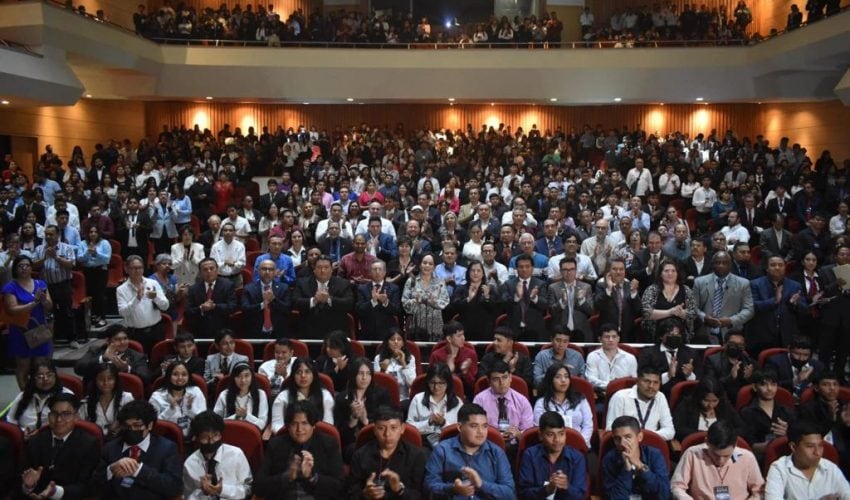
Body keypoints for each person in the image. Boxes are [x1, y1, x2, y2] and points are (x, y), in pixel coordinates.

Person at [423, 403, 515, 499]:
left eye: (484, 426)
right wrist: (452, 489)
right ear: (460, 427)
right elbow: (428, 486)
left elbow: (509, 493)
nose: (481, 431)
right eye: (474, 426)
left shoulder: (496, 452)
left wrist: (481, 484)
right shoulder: (443, 450)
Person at [255, 401, 344, 499]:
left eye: (304, 423)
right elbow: (259, 487)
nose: (299, 429)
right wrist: (287, 476)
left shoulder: (328, 444)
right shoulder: (275, 444)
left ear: (313, 425)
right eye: (294, 424)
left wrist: (312, 477)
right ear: (288, 426)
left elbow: (340, 487)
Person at [95, 400, 182, 498]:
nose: (132, 430)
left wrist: (139, 470)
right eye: (127, 426)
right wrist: (110, 470)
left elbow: (174, 487)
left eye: (137, 425)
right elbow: (93, 486)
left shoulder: (166, 448)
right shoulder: (110, 448)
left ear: (149, 425)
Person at [20, 393, 99, 499]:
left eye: (66, 414)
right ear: (48, 416)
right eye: (54, 414)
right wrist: (28, 486)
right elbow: (21, 479)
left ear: (76, 417)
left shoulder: (89, 444)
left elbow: (87, 486)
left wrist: (55, 492)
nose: (59, 420)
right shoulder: (36, 441)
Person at [348, 405, 428, 499]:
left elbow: (421, 496)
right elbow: (350, 493)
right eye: (381, 428)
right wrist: (365, 494)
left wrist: (400, 490)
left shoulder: (417, 456)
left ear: (402, 429)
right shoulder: (360, 455)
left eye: (393, 428)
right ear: (374, 430)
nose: (387, 434)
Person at [671, 420, 764, 499]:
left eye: (726, 456)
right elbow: (677, 486)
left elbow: (759, 491)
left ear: (735, 444)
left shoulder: (747, 457)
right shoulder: (693, 454)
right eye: (716, 455)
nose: (721, 461)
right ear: (707, 442)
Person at [2, 255, 53, 389]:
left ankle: (40, 391)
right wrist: (33, 303)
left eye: (27, 265)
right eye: (20, 266)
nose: (24, 268)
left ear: (31, 267)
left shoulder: (40, 284)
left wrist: (43, 300)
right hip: (20, 331)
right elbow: (12, 309)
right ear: (16, 269)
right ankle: (24, 395)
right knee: (23, 366)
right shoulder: (10, 287)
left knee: (41, 364)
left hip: (38, 329)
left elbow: (49, 306)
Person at [765, 420, 850, 498]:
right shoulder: (779, 468)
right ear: (793, 447)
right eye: (810, 446)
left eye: (820, 446)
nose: (817, 452)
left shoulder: (831, 468)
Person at [518, 411, 588, 499]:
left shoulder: (577, 458)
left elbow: (580, 496)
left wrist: (567, 487)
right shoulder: (530, 455)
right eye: (551, 435)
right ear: (540, 435)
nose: (557, 440)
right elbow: (524, 493)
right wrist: (546, 490)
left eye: (561, 434)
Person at [183, 410, 252, 500]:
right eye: (205, 437)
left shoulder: (236, 454)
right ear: (197, 438)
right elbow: (187, 495)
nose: (211, 441)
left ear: (220, 434)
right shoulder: (190, 464)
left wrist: (222, 490)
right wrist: (202, 492)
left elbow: (248, 489)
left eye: (215, 435)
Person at [333, 358, 392, 459]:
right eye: (360, 373)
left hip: (376, 441)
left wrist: (365, 420)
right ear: (353, 375)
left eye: (368, 373)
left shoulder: (382, 395)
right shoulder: (341, 399)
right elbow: (339, 435)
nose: (364, 378)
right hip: (351, 445)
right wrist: (353, 419)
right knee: (355, 451)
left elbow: (386, 424)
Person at [601, 415, 671, 499]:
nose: (622, 443)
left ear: (639, 437)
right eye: (617, 438)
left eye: (628, 437)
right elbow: (615, 498)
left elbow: (664, 494)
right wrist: (626, 470)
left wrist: (640, 466)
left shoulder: (654, 455)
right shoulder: (609, 459)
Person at [748, 255, 807, 354]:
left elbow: (805, 309)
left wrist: (794, 303)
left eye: (780, 265)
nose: (777, 267)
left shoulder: (795, 285)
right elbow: (752, 306)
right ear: (767, 268)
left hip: (786, 335)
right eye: (773, 265)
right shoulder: (754, 284)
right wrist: (774, 301)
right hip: (762, 335)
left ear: (785, 267)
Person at [693, 250, 755, 344]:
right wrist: (704, 317)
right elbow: (693, 307)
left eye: (725, 263)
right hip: (704, 332)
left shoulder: (743, 283)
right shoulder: (699, 282)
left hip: (731, 333)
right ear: (712, 264)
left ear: (730, 265)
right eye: (718, 263)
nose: (721, 265)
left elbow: (749, 310)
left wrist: (731, 320)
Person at [472, 359, 534, 454]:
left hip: (515, 448)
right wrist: (496, 435)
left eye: (505, 377)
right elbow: (475, 429)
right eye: (496, 379)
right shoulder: (479, 400)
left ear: (510, 378)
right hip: (487, 447)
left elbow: (528, 432)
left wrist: (517, 434)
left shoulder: (522, 401)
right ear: (489, 381)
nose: (502, 383)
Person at [5, 358, 73, 439]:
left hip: (54, 439)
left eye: (49, 375)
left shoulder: (66, 395)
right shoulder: (23, 396)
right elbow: (11, 421)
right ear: (32, 378)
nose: (45, 379)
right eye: (40, 376)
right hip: (23, 438)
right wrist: (22, 432)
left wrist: (42, 434)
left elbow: (71, 425)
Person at [116, 254, 170, 355]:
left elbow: (165, 306)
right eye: (133, 268)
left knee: (158, 360)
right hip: (135, 334)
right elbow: (123, 313)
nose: (137, 271)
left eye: (140, 267)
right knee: (139, 365)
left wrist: (156, 298)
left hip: (156, 330)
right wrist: (137, 298)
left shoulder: (152, 283)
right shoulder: (121, 290)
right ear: (126, 269)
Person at [33, 225, 77, 347]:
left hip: (63, 284)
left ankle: (72, 339)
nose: (48, 237)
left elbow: (71, 264)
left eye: (51, 234)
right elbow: (34, 266)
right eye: (46, 234)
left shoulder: (67, 248)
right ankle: (49, 341)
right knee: (47, 313)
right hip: (46, 286)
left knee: (67, 311)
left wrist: (56, 257)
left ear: (57, 235)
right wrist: (45, 257)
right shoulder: (39, 249)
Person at [606, 366, 676, 441]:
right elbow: (611, 429)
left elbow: (670, 431)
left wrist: (645, 436)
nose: (651, 386)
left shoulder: (660, 397)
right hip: (625, 444)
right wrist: (634, 437)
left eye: (655, 382)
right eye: (646, 381)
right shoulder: (620, 397)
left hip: (651, 444)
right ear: (637, 381)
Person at [293, 255, 354, 339]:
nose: (323, 270)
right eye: (319, 267)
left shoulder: (343, 284)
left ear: (332, 269)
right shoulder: (302, 283)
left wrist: (329, 300)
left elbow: (349, 304)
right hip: (308, 332)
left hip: (336, 332)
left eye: (326, 267)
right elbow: (295, 302)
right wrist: (313, 301)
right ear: (314, 269)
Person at [532, 364, 593, 448]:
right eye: (558, 377)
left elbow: (588, 425)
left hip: (579, 446)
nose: (563, 380)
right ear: (550, 380)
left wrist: (580, 443)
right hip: (552, 447)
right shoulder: (542, 403)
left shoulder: (580, 399)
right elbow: (540, 428)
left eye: (566, 376)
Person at [740, 369, 796, 457]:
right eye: (763, 384)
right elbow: (749, 446)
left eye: (773, 384)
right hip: (759, 457)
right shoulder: (747, 413)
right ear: (755, 387)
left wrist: (788, 434)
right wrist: (775, 442)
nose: (769, 388)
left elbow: (798, 438)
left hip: (785, 454)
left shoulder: (786, 411)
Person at [639, 317, 700, 396]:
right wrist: (668, 375)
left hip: (684, 397)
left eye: (677, 334)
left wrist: (689, 375)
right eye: (670, 334)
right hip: (656, 394)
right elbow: (644, 378)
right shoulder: (648, 354)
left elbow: (700, 380)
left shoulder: (691, 353)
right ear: (661, 336)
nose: (674, 337)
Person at [672, 376, 746, 442]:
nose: (710, 405)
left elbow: (741, 428)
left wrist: (723, 434)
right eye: (706, 401)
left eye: (715, 401)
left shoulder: (724, 406)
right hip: (695, 445)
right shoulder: (687, 404)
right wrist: (703, 435)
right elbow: (677, 428)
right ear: (699, 397)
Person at [270, 358, 335, 433]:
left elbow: (328, 425)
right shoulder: (283, 397)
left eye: (307, 372)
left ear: (313, 375)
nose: (303, 376)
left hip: (318, 439)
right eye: (298, 372)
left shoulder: (325, 396)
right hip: (290, 437)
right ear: (293, 375)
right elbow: (276, 425)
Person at [75, 323, 152, 385]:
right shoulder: (95, 351)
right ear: (108, 341)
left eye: (125, 338)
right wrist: (103, 358)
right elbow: (78, 369)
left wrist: (127, 369)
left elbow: (146, 379)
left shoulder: (138, 356)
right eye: (117, 339)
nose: (122, 342)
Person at [407, 363, 461, 448]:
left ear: (448, 383)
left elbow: (460, 429)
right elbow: (409, 427)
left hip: (450, 442)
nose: (436, 387)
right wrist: (428, 422)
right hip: (424, 441)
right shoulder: (418, 399)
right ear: (428, 382)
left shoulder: (457, 402)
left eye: (441, 383)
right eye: (433, 383)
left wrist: (443, 423)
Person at [641, 259, 697, 340]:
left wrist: (681, 313)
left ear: (677, 273)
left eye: (673, 271)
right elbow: (645, 312)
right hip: (654, 335)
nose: (670, 273)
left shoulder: (686, 290)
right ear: (660, 274)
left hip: (681, 336)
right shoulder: (652, 289)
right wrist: (670, 312)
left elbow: (694, 313)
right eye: (666, 271)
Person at [149, 360, 207, 438]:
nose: (180, 378)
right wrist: (170, 409)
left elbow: (204, 420)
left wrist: (189, 409)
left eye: (184, 374)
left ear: (188, 376)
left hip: (193, 439)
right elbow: (153, 425)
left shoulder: (195, 392)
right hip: (166, 438)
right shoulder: (157, 396)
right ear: (169, 376)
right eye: (175, 374)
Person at [78, 362, 134, 440]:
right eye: (101, 379)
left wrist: (121, 426)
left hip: (120, 441)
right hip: (94, 442)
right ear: (95, 381)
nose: (106, 383)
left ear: (115, 380)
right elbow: (81, 427)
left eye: (110, 378)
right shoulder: (86, 403)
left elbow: (133, 423)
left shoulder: (127, 398)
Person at [402, 252, 449, 341]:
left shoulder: (440, 283)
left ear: (434, 267)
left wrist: (433, 302)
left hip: (435, 326)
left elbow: (445, 302)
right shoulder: (411, 281)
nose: (427, 266)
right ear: (420, 265)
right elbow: (405, 304)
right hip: (416, 325)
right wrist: (416, 301)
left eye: (430, 264)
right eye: (424, 263)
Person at [501, 254, 549, 340]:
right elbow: (504, 305)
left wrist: (534, 298)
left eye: (527, 266)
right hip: (514, 329)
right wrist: (516, 297)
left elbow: (545, 305)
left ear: (532, 268)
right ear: (516, 269)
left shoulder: (541, 284)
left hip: (535, 330)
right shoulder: (508, 284)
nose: (524, 269)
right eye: (521, 267)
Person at [241, 258, 292, 338]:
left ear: (275, 272)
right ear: (258, 271)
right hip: (255, 333)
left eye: (271, 269)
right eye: (264, 269)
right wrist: (262, 305)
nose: (267, 272)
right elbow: (245, 309)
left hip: (278, 334)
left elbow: (288, 309)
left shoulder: (284, 288)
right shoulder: (249, 288)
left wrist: (274, 299)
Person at [185, 258, 237, 337]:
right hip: (200, 331)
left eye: (211, 268)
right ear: (200, 272)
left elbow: (232, 307)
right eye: (205, 269)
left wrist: (215, 306)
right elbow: (188, 312)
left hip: (223, 330)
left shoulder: (228, 285)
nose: (209, 271)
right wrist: (201, 308)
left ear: (217, 270)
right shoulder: (193, 289)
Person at [595, 258, 643, 342]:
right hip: (608, 334)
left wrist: (634, 293)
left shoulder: (630, 285)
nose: (618, 272)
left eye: (621, 269)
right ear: (609, 271)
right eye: (614, 269)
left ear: (625, 271)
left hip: (628, 333)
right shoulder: (602, 285)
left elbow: (639, 310)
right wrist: (609, 289)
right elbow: (597, 306)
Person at [213, 362, 269, 431]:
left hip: (250, 436)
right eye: (238, 376)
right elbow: (215, 422)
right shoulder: (224, 395)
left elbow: (262, 424)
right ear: (233, 378)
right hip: (229, 433)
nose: (243, 380)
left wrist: (246, 416)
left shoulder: (261, 394)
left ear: (252, 377)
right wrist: (235, 416)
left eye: (246, 376)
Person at [548, 257, 594, 341]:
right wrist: (562, 302)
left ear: (576, 270)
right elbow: (551, 312)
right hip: (560, 333)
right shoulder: (553, 288)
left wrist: (582, 300)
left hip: (581, 331)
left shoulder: (586, 287)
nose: (568, 272)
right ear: (561, 271)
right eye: (565, 270)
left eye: (572, 269)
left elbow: (591, 311)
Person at [586, 324, 638, 397]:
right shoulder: (593, 356)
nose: (611, 340)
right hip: (601, 395)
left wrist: (615, 386)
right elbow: (591, 380)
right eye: (607, 337)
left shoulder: (630, 358)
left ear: (618, 339)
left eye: (614, 337)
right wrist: (613, 386)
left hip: (624, 396)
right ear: (600, 339)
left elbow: (633, 381)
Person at [428, 321, 478, 398]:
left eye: (463, 334)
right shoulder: (436, 355)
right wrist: (447, 370)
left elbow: (473, 385)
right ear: (449, 338)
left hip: (466, 395)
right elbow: (432, 382)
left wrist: (465, 372)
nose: (463, 338)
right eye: (459, 336)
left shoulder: (470, 354)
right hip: (441, 395)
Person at [703, 332, 756, 403]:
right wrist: (731, 377)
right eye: (732, 344)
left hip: (745, 402)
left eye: (740, 345)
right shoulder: (712, 360)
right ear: (725, 344)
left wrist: (748, 378)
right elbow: (710, 385)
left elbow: (758, 384)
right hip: (720, 400)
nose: (736, 347)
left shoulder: (749, 361)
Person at [478, 326, 534, 394]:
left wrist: (513, 371)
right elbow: (483, 380)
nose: (495, 343)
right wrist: (504, 363)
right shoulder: (488, 358)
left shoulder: (524, 359)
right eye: (494, 339)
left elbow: (526, 384)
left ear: (510, 342)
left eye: (499, 340)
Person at [355, 260, 402, 341]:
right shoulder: (362, 288)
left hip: (388, 333)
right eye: (374, 269)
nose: (377, 272)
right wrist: (372, 301)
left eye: (380, 269)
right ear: (370, 272)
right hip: (367, 332)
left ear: (384, 272)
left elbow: (397, 310)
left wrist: (386, 302)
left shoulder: (394, 288)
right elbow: (359, 310)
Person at [76, 226, 111, 328]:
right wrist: (88, 252)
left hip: (101, 271)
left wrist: (96, 253)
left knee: (100, 294)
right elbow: (80, 258)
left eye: (95, 232)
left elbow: (107, 260)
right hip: (87, 271)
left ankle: (102, 317)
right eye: (91, 232)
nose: (93, 234)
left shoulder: (105, 243)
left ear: (99, 233)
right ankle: (93, 316)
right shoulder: (82, 244)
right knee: (89, 294)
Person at [373, 327, 417, 403]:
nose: (396, 342)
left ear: (403, 343)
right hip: (384, 400)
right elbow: (376, 386)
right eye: (392, 339)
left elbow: (412, 384)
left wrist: (404, 364)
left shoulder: (410, 358)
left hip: (403, 399)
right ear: (387, 342)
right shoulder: (378, 358)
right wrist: (382, 370)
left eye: (399, 339)